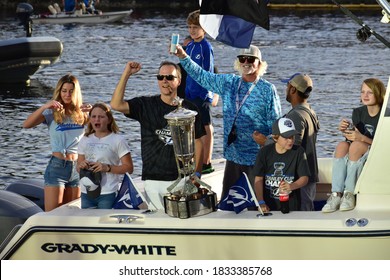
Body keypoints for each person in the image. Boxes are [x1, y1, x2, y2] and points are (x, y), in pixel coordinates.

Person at [174, 44, 282, 199]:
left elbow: (277, 125)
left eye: (251, 59)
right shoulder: (229, 83)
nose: (246, 62)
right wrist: (183, 56)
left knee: (256, 205)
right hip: (233, 157)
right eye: (242, 58)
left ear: (259, 63)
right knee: (229, 205)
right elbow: (202, 76)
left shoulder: (267, 89)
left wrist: (267, 141)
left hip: (257, 159)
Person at [110, 61, 206, 210]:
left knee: (180, 224)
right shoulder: (145, 105)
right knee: (159, 225)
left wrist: (197, 174)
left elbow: (199, 142)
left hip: (181, 179)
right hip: (152, 179)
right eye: (160, 77)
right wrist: (126, 74)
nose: (164, 81)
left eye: (169, 77)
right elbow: (116, 105)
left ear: (179, 81)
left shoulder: (190, 109)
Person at [23, 74, 91, 211]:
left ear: (76, 92)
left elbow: (100, 132)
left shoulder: (82, 113)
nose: (67, 94)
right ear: (59, 92)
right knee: (53, 215)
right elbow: (26, 124)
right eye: (64, 90)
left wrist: (93, 113)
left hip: (78, 167)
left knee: (72, 214)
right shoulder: (52, 112)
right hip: (57, 167)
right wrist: (44, 106)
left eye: (71, 91)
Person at [322, 78, 386, 213]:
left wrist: (361, 138)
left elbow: (384, 144)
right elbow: (354, 139)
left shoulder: (387, 114)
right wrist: (346, 132)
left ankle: (349, 193)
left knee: (356, 146)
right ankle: (337, 194)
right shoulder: (358, 112)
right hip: (360, 151)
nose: (365, 95)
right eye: (363, 92)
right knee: (341, 146)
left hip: (379, 153)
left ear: (379, 93)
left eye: (370, 92)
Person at [77, 103, 133, 209]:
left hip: (107, 194)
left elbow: (129, 168)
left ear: (109, 120)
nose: (97, 120)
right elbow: (78, 167)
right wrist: (81, 165)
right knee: (87, 224)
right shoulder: (85, 139)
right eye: (93, 116)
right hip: (86, 192)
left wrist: (107, 168)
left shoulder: (118, 140)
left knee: (102, 224)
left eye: (101, 117)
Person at [253, 117, 310, 213]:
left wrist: (291, 186)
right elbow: (258, 179)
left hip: (291, 206)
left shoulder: (299, 152)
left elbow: (304, 178)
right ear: (275, 137)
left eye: (292, 136)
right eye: (286, 137)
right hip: (268, 205)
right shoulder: (264, 152)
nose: (290, 140)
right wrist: (261, 202)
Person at [183, 10, 216, 174]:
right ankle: (196, 159)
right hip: (189, 93)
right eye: (189, 27)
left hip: (202, 93)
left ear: (204, 28)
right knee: (194, 128)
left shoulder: (205, 47)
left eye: (196, 27)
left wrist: (206, 92)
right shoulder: (189, 46)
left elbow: (208, 72)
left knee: (205, 126)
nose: (192, 30)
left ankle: (207, 161)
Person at [281, 73, 320, 211]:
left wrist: (265, 141)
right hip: (310, 174)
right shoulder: (310, 112)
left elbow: (292, 146)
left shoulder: (295, 115)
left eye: (287, 86)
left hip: (299, 177)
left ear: (292, 90)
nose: (285, 89)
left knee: (301, 213)